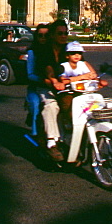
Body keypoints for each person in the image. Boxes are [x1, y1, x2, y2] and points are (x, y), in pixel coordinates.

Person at [38, 19, 71, 160]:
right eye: (60, 33)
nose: (63, 36)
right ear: (52, 35)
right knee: (51, 106)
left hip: (67, 87)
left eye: (65, 33)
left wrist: (94, 77)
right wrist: (53, 80)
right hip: (46, 86)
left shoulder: (69, 49)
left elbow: (82, 63)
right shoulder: (45, 50)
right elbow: (48, 69)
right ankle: (52, 142)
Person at [24, 23, 49, 138]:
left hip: (50, 86)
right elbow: (30, 74)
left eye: (46, 35)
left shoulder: (52, 51)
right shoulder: (32, 52)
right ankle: (34, 133)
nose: (43, 38)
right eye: (40, 35)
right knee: (36, 104)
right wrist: (43, 80)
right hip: (35, 87)